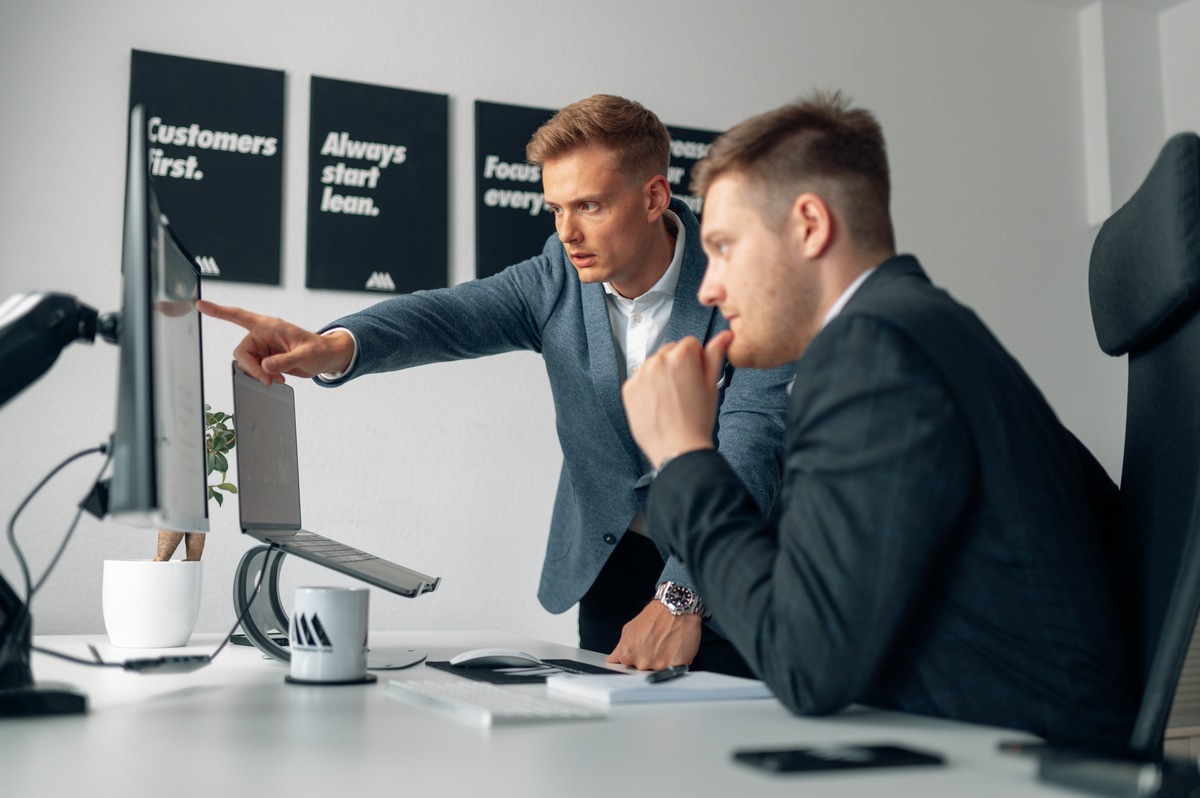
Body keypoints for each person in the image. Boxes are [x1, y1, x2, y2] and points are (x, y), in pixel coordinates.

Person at [199, 94, 794, 676]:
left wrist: (681, 597)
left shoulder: (743, 289)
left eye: (589, 206)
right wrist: (334, 347)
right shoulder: (558, 274)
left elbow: (751, 450)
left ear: (653, 197)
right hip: (610, 561)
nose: (567, 232)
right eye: (555, 209)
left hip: (730, 566)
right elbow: (446, 316)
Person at [621, 90, 1136, 750]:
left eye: (723, 247)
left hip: (1014, 768)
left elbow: (806, 664)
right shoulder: (911, 330)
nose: (708, 288)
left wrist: (686, 456)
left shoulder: (874, 353)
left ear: (809, 225)